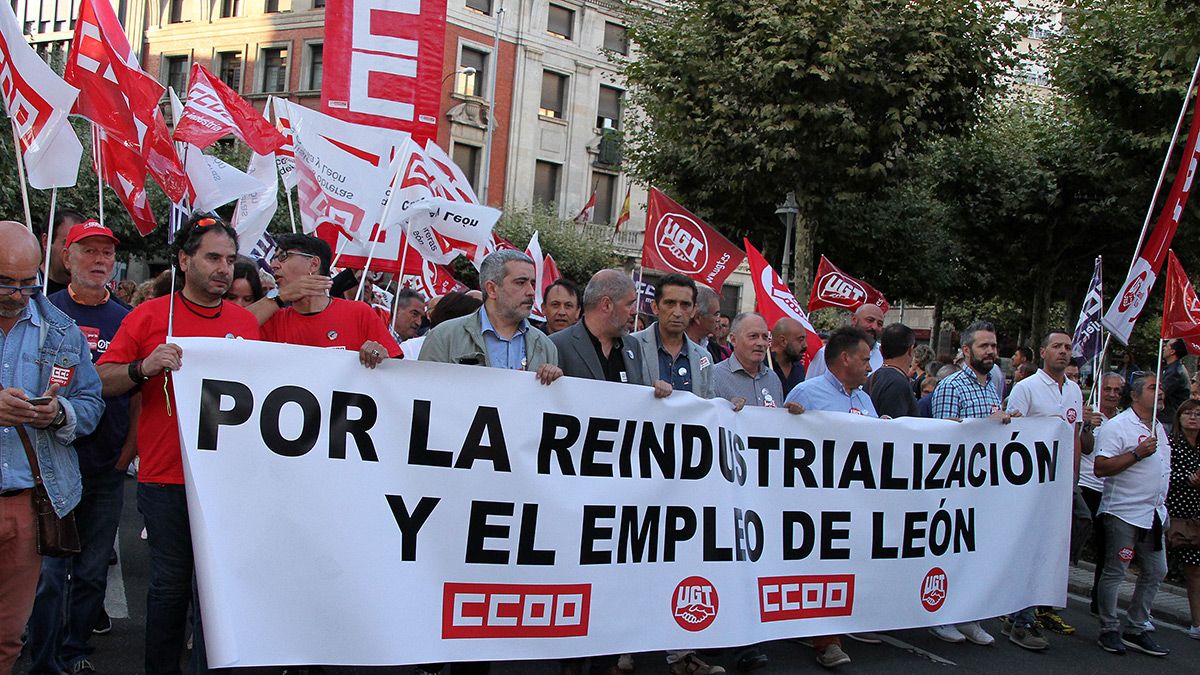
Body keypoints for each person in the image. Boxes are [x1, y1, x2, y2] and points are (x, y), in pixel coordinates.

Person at [96, 215, 261, 674]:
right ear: (185, 260)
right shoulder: (149, 316)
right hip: (167, 478)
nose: (224, 269)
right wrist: (142, 368)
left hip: (229, 482)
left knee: (217, 592)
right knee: (169, 587)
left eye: (230, 259)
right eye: (213, 257)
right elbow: (100, 380)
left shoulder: (246, 323)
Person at [27, 221, 133, 675]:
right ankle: (43, 654)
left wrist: (130, 452)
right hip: (51, 464)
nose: (99, 261)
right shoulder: (42, 314)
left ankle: (74, 651)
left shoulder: (128, 318)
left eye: (106, 253)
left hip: (106, 465)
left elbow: (144, 390)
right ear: (65, 258)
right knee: (50, 574)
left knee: (91, 571)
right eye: (88, 251)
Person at [0, 221, 103, 675]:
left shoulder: (61, 330)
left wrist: (60, 414)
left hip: (29, 504)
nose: (19, 294)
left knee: (7, 636)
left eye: (28, 282)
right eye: (6, 282)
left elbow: (91, 400)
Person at [783, 326, 877, 668]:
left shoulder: (865, 400)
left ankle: (835, 625)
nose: (870, 366)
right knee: (822, 567)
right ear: (845, 358)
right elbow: (778, 444)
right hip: (816, 503)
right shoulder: (807, 393)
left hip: (856, 501)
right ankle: (826, 640)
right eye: (865, 359)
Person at [928, 320, 1015, 648]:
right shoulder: (951, 385)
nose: (991, 351)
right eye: (983, 346)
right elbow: (941, 432)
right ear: (966, 351)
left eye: (993, 345)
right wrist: (982, 425)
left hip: (982, 486)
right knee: (950, 552)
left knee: (975, 553)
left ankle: (969, 616)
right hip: (954, 484)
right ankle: (942, 617)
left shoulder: (991, 384)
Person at [1002, 331, 1085, 643]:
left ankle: (1021, 614)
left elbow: (1074, 436)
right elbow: (1015, 438)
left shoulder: (1074, 390)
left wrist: (1072, 478)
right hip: (1032, 486)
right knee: (1031, 550)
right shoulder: (1027, 389)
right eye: (1057, 347)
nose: (1063, 352)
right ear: (1043, 352)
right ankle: (1022, 620)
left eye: (1067, 347)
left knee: (1053, 548)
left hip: (1061, 486)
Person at [1093, 373, 1171, 657]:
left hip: (1152, 515)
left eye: (1161, 387)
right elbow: (1101, 467)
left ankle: (1137, 626)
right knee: (1116, 571)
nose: (1160, 392)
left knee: (1157, 570)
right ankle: (1109, 628)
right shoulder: (1118, 426)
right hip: (1123, 513)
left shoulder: (1158, 428)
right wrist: (1137, 454)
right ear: (1135, 396)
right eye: (1153, 387)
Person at [420, 249, 560, 385]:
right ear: (492, 289)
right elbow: (424, 393)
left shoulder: (546, 346)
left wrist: (555, 383)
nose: (531, 291)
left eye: (533, 283)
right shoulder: (444, 337)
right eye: (521, 282)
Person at [262, 233, 400, 367]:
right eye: (273, 259)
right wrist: (280, 298)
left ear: (314, 264)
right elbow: (240, 327)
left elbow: (396, 372)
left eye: (283, 256)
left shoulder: (358, 313)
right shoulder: (273, 319)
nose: (274, 265)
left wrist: (379, 354)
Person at [632, 274, 714, 400]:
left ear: (693, 310)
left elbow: (708, 405)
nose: (677, 313)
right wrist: (648, 392)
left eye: (685, 305)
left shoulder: (704, 357)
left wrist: (729, 407)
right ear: (655, 307)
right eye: (670, 303)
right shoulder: (631, 346)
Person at [1081, 373, 1124, 615]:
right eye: (1107, 389)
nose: (1112, 394)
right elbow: (1084, 446)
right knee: (1072, 546)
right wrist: (1086, 425)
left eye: (1117, 391)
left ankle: (1101, 603)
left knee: (1107, 551)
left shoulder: (1125, 421)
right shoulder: (1090, 414)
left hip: (1110, 493)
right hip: (1086, 487)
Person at [1166, 398, 1200, 639]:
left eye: (1197, 414)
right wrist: (1187, 478)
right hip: (1172, 513)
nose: (1193, 417)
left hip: (1195, 518)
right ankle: (1141, 613)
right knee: (1156, 568)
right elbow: (1163, 475)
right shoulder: (1171, 444)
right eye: (1187, 413)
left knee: (1195, 571)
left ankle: (1197, 622)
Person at [714, 313, 783, 412]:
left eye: (765, 337)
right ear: (733, 340)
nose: (761, 343)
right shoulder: (714, 377)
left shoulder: (773, 379)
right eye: (753, 336)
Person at [804, 304, 884, 381]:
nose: (874, 327)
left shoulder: (884, 354)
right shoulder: (827, 353)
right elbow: (809, 388)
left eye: (879, 324)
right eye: (870, 320)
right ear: (854, 320)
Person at [868, 323, 919, 418]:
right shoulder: (897, 383)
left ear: (880, 350)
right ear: (910, 350)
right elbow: (896, 429)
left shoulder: (871, 377)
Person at [40, 208, 88, 296]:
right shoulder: (28, 289)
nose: (74, 252)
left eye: (81, 246)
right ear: (46, 242)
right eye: (68, 243)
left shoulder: (96, 293)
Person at [685, 284, 722, 364]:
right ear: (698, 318)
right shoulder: (676, 348)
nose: (719, 320)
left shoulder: (714, 348)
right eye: (716, 314)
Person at [770, 317, 807, 397]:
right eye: (800, 339)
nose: (805, 345)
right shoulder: (761, 365)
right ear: (783, 341)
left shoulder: (799, 368)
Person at [1161, 338, 1190, 425]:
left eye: (1166, 346)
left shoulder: (1175, 372)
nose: (1163, 348)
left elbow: (1161, 392)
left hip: (1169, 419)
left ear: (1172, 351)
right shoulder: (1171, 368)